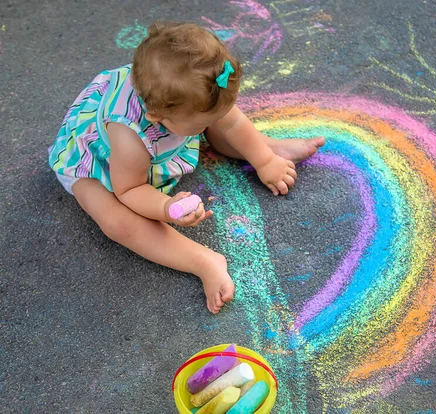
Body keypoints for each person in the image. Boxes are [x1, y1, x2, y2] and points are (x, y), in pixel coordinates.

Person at [48, 22, 325, 314]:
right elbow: (129, 189)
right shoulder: (129, 137)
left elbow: (229, 119)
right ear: (157, 116)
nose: (206, 128)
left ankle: (269, 147)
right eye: (200, 126)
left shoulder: (181, 93)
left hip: (163, 133)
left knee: (216, 116)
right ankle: (202, 260)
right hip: (98, 165)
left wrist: (264, 160)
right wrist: (167, 208)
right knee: (117, 221)